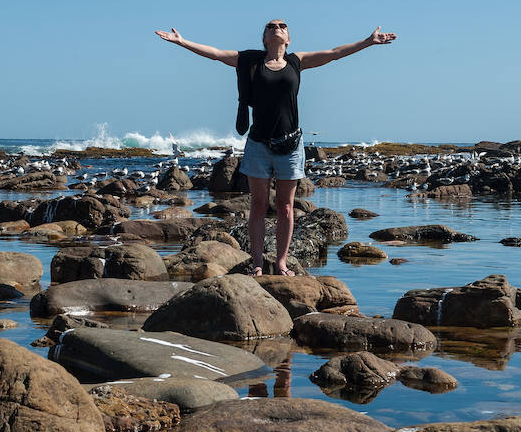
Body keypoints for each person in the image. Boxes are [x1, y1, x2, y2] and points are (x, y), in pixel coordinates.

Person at [155, 20, 397, 276]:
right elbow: (215, 54)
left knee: (286, 207)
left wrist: (368, 42)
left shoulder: (296, 61)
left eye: (283, 25)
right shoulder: (250, 61)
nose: (277, 27)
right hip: (259, 143)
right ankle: (258, 263)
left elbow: (335, 54)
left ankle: (281, 262)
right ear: (265, 38)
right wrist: (182, 42)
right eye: (271, 26)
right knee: (258, 206)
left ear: (288, 38)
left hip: (291, 144)